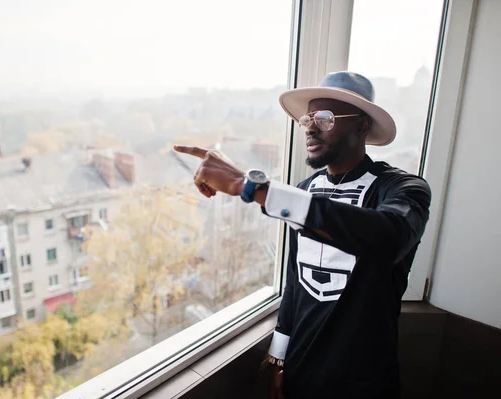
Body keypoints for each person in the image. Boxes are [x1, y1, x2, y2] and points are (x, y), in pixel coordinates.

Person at [174, 71, 431, 399]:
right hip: (300, 375)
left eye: (325, 118)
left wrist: (253, 188)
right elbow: (297, 280)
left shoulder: (402, 188)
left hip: (363, 381)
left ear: (362, 125)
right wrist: (279, 358)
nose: (310, 126)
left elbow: (387, 237)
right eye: (308, 118)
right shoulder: (305, 191)